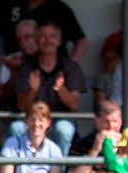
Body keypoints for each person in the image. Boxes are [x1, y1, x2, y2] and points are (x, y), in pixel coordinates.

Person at [11, 21, 84, 155]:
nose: (47, 40)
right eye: (43, 36)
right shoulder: (27, 68)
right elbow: (21, 105)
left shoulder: (70, 67)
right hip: (33, 118)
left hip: (60, 119)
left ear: (59, 41)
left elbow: (74, 104)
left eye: (52, 36)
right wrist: (33, 90)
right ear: (37, 41)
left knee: (64, 129)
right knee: (17, 127)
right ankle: (25, 172)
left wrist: (60, 89)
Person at [0, 19, 37, 107]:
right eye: (19, 39)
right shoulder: (11, 60)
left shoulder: (50, 57)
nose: (22, 42)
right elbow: (2, 98)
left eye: (27, 37)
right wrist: (14, 72)